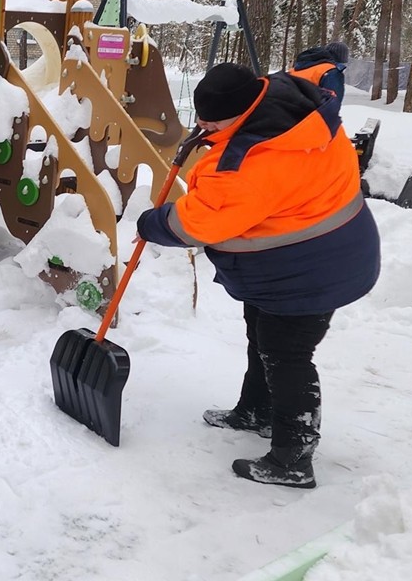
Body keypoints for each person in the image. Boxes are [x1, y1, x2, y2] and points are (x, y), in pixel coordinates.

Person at [136, 62, 380, 489]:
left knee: (286, 355)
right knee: (262, 335)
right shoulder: (286, 102)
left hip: (313, 270)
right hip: (297, 256)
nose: (203, 128)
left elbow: (197, 223)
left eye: (211, 123)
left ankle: (293, 459)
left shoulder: (250, 163)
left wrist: (150, 224)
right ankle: (257, 411)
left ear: (240, 113)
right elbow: (318, 68)